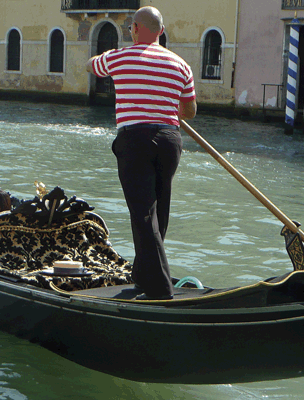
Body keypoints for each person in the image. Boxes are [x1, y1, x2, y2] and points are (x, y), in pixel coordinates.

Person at [85, 6, 197, 300]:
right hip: (170, 139)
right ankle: (144, 278)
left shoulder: (119, 57)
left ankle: (160, 289)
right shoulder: (181, 65)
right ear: (162, 31)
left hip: (135, 140)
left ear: (134, 29)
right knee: (158, 211)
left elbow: (91, 66)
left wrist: (102, 58)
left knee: (143, 214)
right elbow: (189, 110)